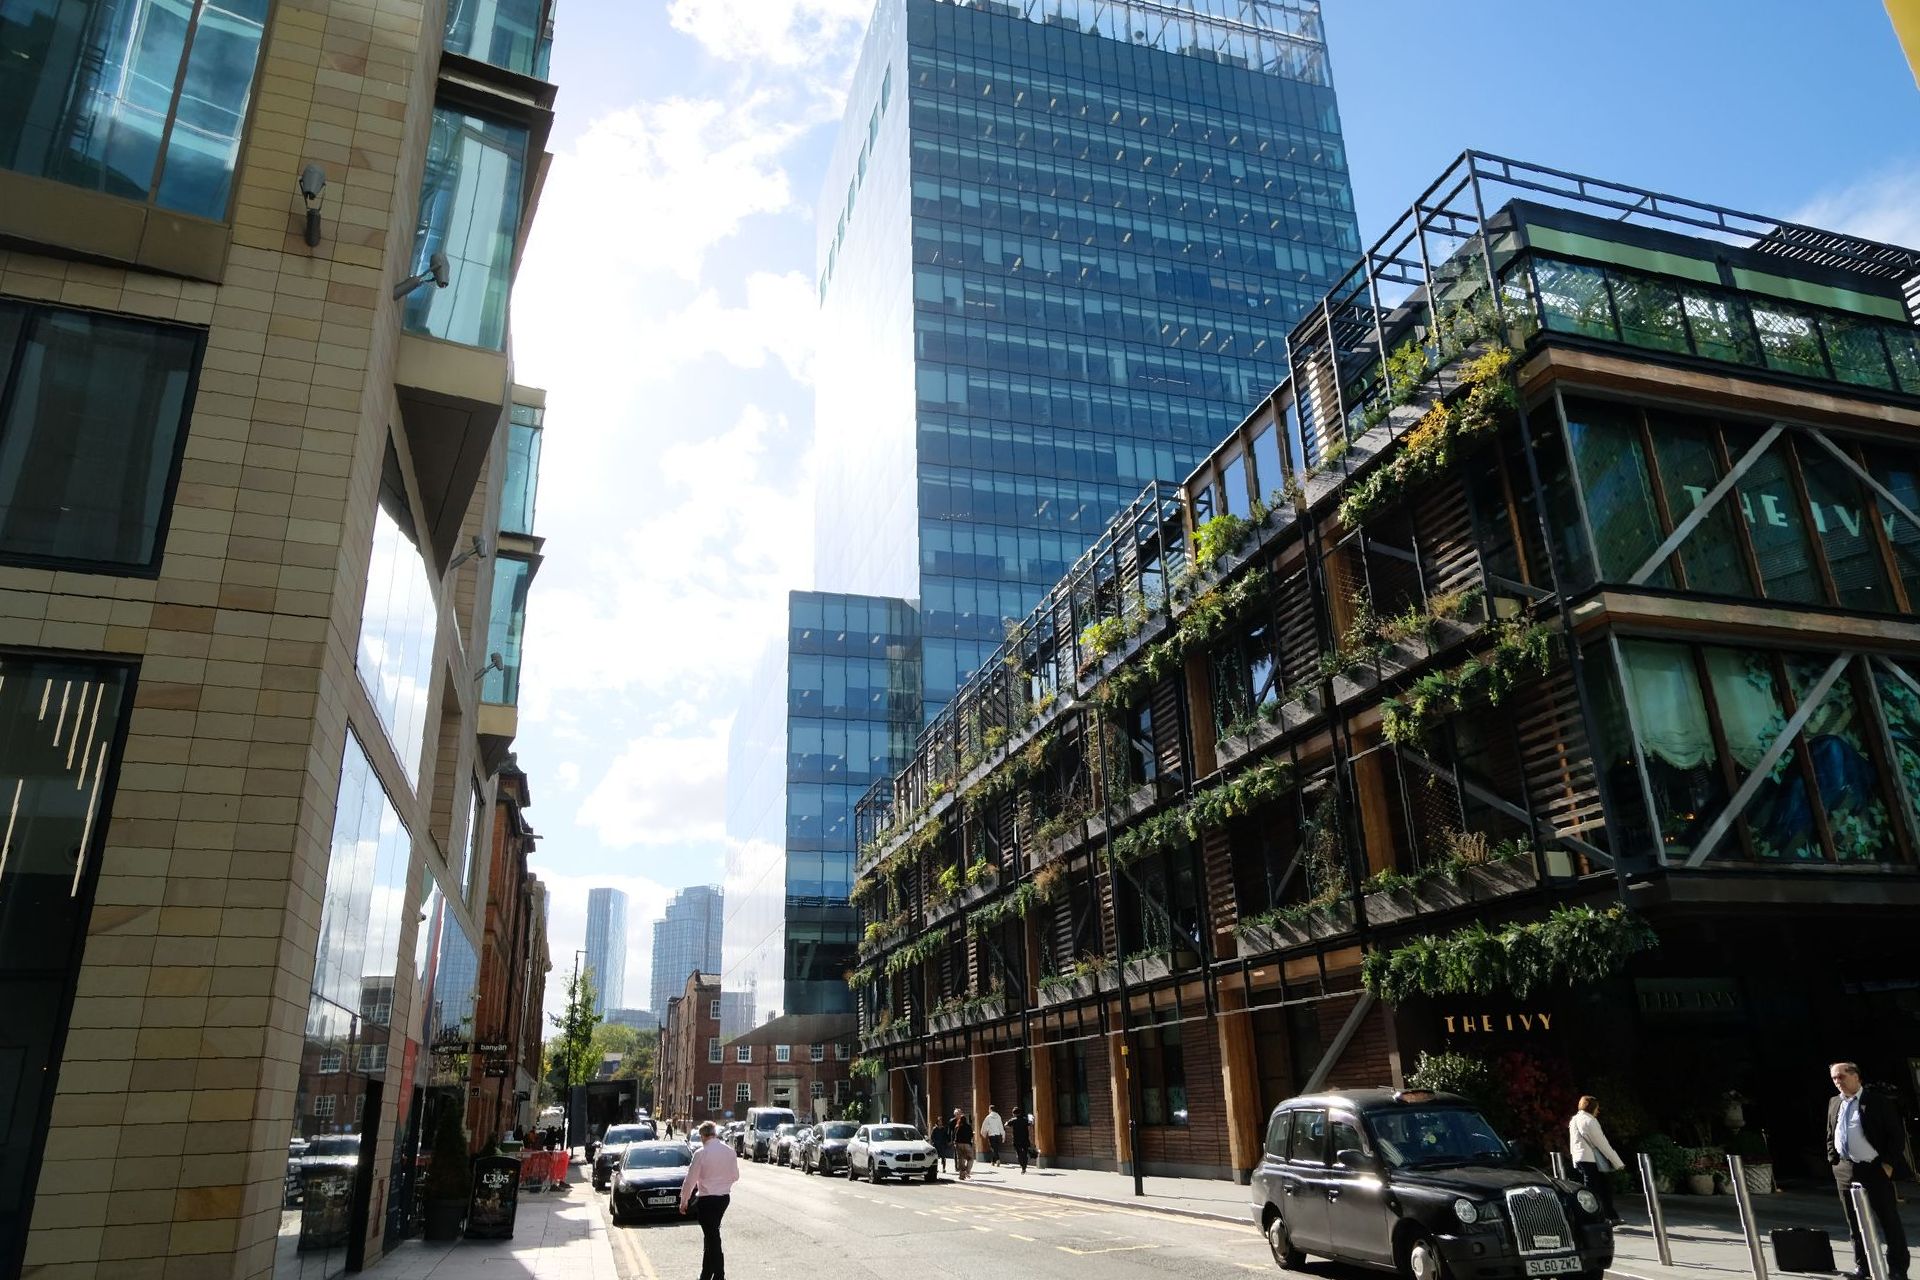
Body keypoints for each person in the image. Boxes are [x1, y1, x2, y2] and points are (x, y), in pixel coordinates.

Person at [1828, 1062, 1911, 1280]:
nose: (1838, 1082)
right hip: (1845, 1169)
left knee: (1887, 1219)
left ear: (1856, 1076)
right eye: (1834, 1078)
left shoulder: (1876, 1102)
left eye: (1841, 1077)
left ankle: (1897, 1268)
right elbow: (1831, 1132)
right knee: (1854, 1222)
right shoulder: (1835, 1102)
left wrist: (1887, 1165)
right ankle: (1862, 1266)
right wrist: (1833, 1159)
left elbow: (1895, 1135)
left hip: (1874, 1168)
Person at [680, 1121, 741, 1280]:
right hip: (723, 1199)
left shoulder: (701, 1153)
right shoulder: (729, 1151)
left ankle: (720, 1275)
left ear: (702, 1136)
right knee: (711, 1235)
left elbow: (690, 1180)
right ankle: (706, 1275)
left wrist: (684, 1200)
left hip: (707, 1199)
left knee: (712, 1236)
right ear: (714, 1133)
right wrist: (722, 1182)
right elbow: (735, 1176)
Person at [1567, 1096, 1623, 1224]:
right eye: (1597, 1108)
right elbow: (1602, 1143)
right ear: (1592, 1108)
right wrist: (1617, 1162)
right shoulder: (1589, 1121)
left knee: (1600, 1187)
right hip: (1591, 1160)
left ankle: (1609, 1216)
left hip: (1581, 1158)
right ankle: (1595, 1217)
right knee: (1596, 1190)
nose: (1598, 1111)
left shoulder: (1574, 1119)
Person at [952, 1110, 975, 1181]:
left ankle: (962, 1176)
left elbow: (954, 1135)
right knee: (970, 1158)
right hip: (967, 1144)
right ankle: (967, 1171)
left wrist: (954, 1143)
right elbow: (971, 1135)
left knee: (961, 1159)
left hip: (958, 1144)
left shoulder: (957, 1126)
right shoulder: (968, 1126)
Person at [1008, 1109, 1031, 1174]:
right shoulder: (1025, 1119)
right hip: (1025, 1139)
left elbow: (1006, 1124)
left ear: (1014, 1114)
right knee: (1025, 1153)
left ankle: (1022, 1166)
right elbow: (1030, 1123)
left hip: (1016, 1140)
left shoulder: (1013, 1120)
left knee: (1019, 1153)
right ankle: (1024, 1166)